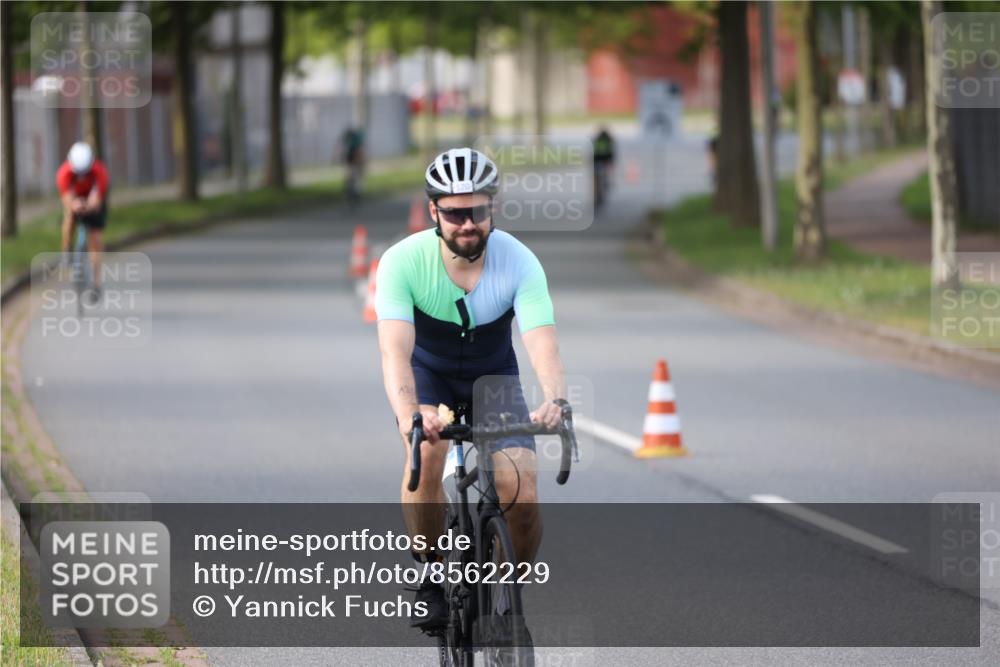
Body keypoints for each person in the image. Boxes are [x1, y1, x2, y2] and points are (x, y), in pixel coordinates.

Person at [375, 148, 567, 629]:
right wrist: (410, 416)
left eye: (477, 211)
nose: (467, 223)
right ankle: (429, 574)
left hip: (494, 378)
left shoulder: (519, 260)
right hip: (429, 375)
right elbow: (395, 353)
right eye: (455, 213)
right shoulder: (402, 262)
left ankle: (509, 598)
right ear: (434, 211)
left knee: (521, 492)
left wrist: (555, 399)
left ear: (492, 209)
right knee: (427, 457)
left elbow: (542, 342)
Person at [57, 141, 109, 294]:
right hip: (75, 198)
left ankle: (96, 283)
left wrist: (90, 205)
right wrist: (74, 204)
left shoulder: (100, 171)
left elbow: (97, 199)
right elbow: (66, 198)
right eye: (78, 173)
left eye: (84, 172)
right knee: (69, 218)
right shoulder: (63, 173)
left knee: (96, 240)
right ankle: (66, 250)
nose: (81, 176)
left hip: (92, 201)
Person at [341, 126, 366, 207]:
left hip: (353, 158)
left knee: (352, 175)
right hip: (353, 158)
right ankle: (353, 192)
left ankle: (353, 191)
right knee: (354, 175)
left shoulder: (353, 140)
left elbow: (359, 152)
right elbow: (360, 152)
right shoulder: (356, 140)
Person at [592, 126, 616, 208]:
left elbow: (593, 152)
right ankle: (606, 184)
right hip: (604, 161)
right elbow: (611, 153)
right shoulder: (609, 140)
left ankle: (597, 193)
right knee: (604, 175)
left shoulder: (597, 139)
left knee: (596, 179)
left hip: (597, 161)